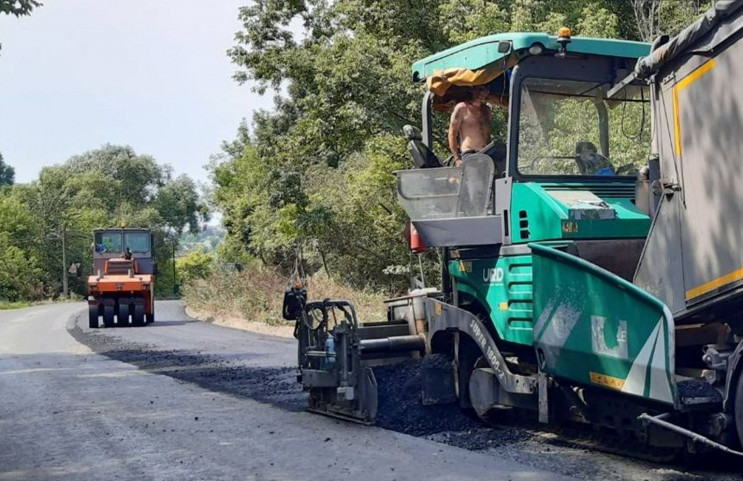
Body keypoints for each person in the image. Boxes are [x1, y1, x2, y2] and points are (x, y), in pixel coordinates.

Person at [448, 86, 492, 166]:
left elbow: (487, 134)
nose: (482, 93)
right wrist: (457, 158)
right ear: (472, 89)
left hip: (486, 154)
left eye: (484, 90)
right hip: (470, 154)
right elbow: (452, 134)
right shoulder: (462, 108)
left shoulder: (486, 110)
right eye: (479, 89)